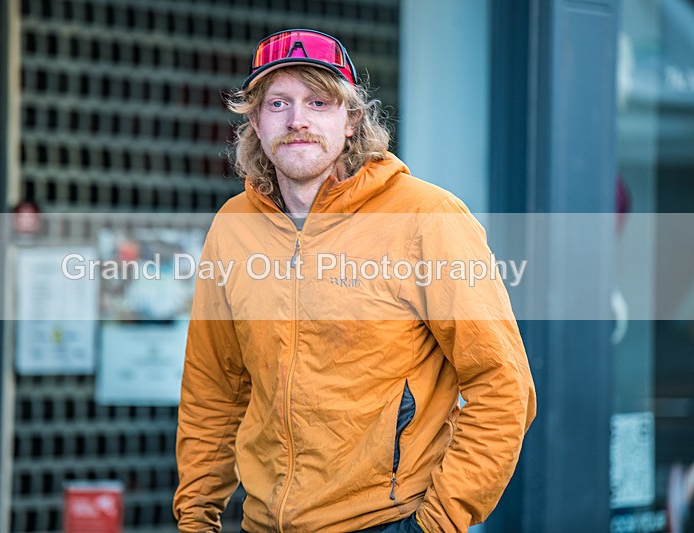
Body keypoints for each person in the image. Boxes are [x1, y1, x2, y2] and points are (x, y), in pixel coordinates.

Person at [173, 29, 536, 532]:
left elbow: (503, 385)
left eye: (318, 102)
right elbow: (214, 390)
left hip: (387, 521)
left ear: (351, 120)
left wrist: (437, 523)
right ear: (255, 122)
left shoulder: (425, 217)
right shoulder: (233, 227)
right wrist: (195, 520)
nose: (297, 120)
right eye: (278, 103)